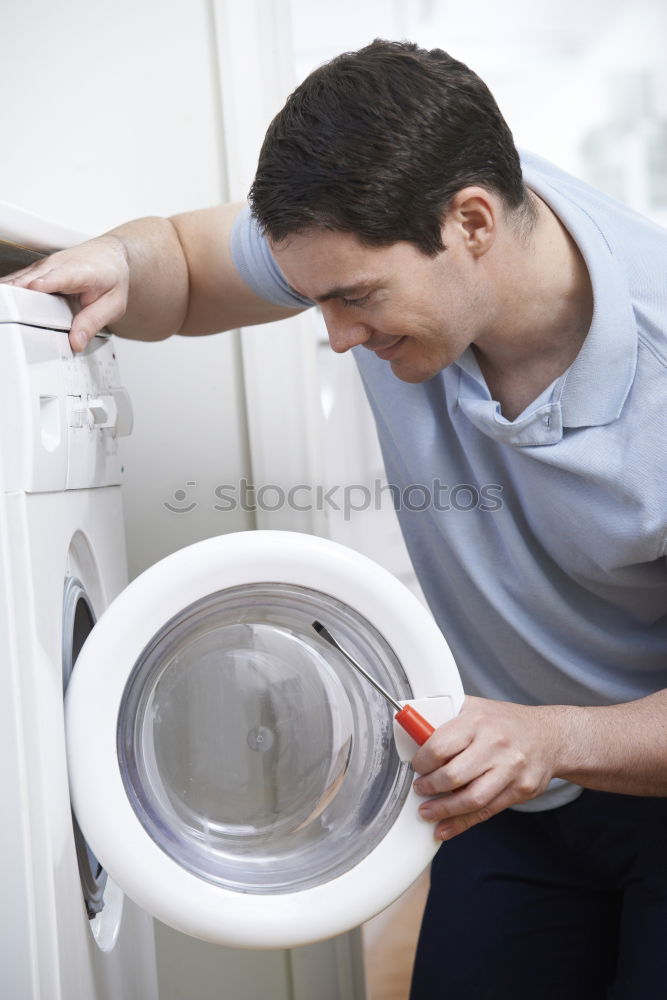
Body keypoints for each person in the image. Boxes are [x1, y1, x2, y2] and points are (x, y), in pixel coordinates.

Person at [3, 38, 667, 999]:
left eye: (356, 299)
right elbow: (184, 265)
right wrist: (110, 261)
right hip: (503, 787)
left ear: (471, 223)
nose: (338, 338)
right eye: (318, 301)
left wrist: (552, 738)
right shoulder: (392, 214)